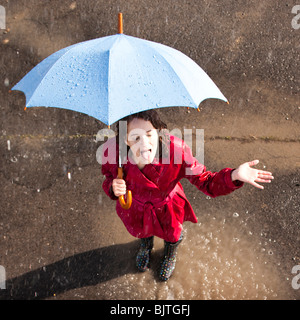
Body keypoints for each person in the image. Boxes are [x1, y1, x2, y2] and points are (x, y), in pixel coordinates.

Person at [101, 110, 274, 281]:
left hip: (167, 207)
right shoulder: (115, 153)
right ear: (125, 140)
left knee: (172, 234)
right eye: (136, 138)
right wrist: (112, 187)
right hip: (137, 208)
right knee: (143, 230)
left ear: (159, 132)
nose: (144, 144)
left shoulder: (177, 151)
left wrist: (234, 175)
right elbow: (108, 177)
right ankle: (146, 246)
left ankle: (170, 254)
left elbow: (206, 181)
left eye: (149, 134)